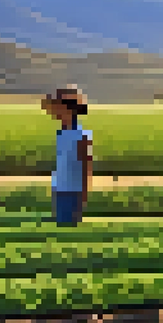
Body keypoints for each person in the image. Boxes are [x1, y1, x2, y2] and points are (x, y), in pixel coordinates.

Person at [41, 86, 93, 226]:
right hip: (61, 190)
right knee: (61, 226)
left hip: (73, 192)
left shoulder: (81, 136)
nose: (53, 112)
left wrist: (83, 195)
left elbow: (86, 167)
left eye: (57, 108)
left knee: (68, 226)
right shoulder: (61, 133)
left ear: (68, 109)